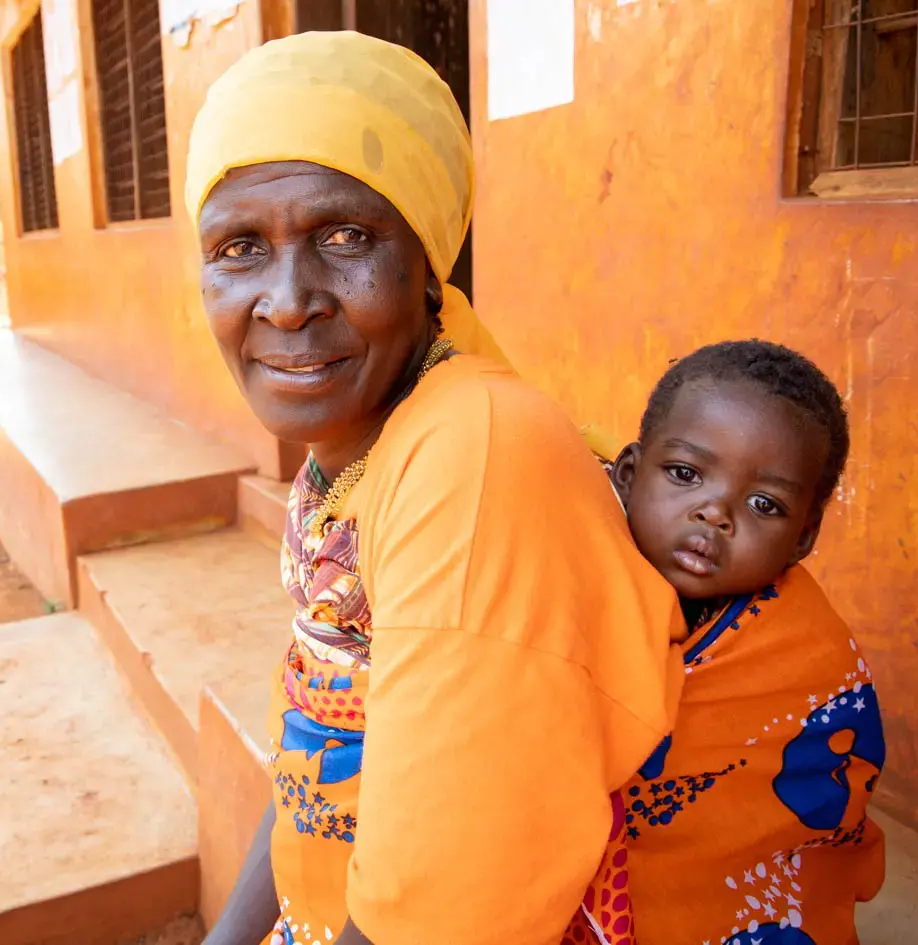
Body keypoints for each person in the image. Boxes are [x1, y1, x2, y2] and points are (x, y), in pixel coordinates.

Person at [186, 30, 684, 945]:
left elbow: (438, 913)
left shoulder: (474, 457)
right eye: (239, 247)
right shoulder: (352, 445)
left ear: (428, 266)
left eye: (345, 237)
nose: (287, 300)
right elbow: (312, 758)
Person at [607, 340, 886, 945]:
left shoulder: (809, 660)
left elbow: (816, 804)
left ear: (804, 536)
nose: (715, 513)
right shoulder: (559, 566)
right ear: (628, 474)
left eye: (765, 504)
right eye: (685, 474)